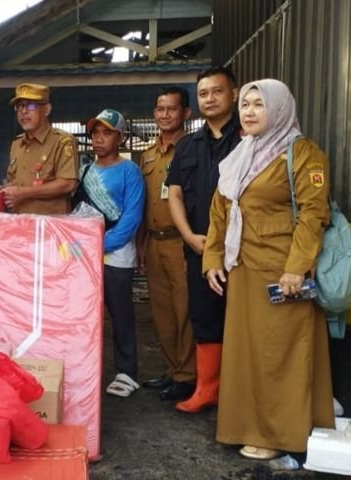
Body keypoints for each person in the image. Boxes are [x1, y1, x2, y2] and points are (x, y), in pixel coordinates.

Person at [204, 79, 334, 459]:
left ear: (278, 108)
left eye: (258, 104)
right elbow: (220, 211)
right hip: (243, 270)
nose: (249, 111)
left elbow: (313, 214)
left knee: (279, 355)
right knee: (248, 355)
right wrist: (212, 258)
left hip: (282, 274)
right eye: (245, 104)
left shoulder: (302, 152)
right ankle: (248, 426)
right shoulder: (242, 154)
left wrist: (297, 268)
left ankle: (278, 436)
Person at [165, 66, 241, 413]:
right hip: (198, 246)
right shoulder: (188, 146)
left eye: (217, 91)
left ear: (234, 94)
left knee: (243, 319)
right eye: (204, 93)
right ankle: (207, 390)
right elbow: (175, 195)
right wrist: (188, 237)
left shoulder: (248, 139)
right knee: (204, 316)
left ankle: (240, 394)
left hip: (242, 249)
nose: (210, 98)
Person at [78, 109, 144, 398]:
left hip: (117, 255)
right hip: (85, 256)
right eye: (95, 133)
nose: (99, 139)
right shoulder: (84, 171)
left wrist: (98, 245)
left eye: (107, 132)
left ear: (121, 137)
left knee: (120, 314)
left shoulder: (130, 171)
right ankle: (86, 369)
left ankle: (127, 370)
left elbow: (132, 217)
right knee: (85, 316)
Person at [136, 87, 196, 402]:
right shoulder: (147, 155)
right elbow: (143, 203)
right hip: (154, 242)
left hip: (180, 242)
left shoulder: (194, 149)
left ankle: (187, 376)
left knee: (184, 310)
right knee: (161, 311)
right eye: (160, 109)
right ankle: (173, 369)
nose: (164, 115)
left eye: (172, 109)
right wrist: (140, 244)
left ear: (186, 113)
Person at [5, 83, 78, 214]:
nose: (23, 111)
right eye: (19, 106)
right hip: (20, 225)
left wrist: (24, 193)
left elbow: (68, 183)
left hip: (51, 227)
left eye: (31, 105)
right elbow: (15, 184)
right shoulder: (17, 144)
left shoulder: (62, 141)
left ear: (47, 109)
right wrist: (1, 190)